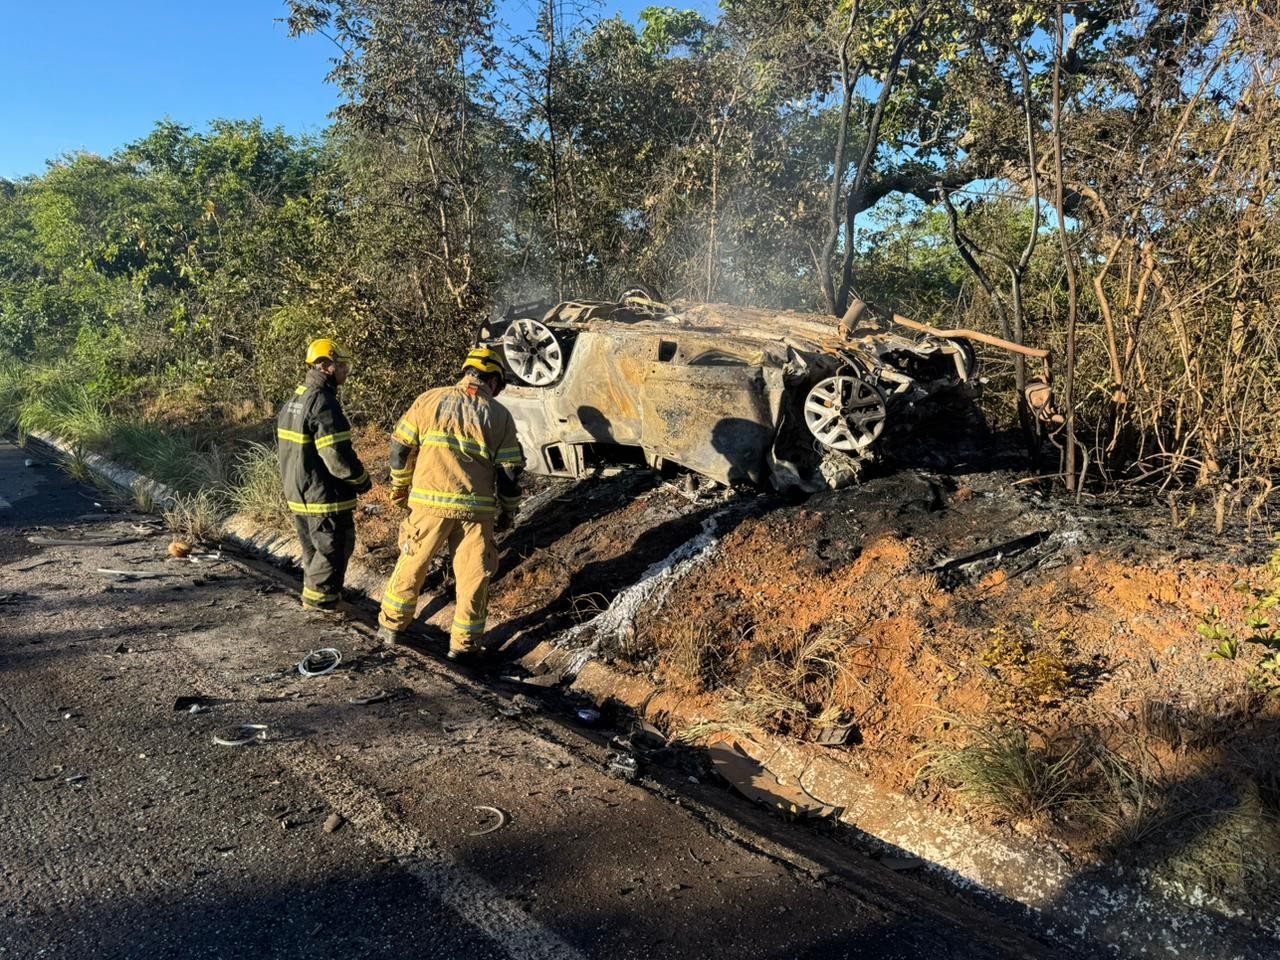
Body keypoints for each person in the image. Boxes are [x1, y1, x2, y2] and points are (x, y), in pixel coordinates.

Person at [376, 346, 524, 661]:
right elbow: (509, 472)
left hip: (427, 506)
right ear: (493, 380)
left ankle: (391, 628)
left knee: (412, 564)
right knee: (473, 578)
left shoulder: (429, 400)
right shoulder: (500, 415)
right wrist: (509, 511)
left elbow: (400, 448)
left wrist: (400, 486)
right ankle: (465, 647)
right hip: (475, 512)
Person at [277, 338, 373, 612]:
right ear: (324, 365)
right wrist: (361, 480)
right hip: (324, 496)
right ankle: (322, 604)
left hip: (299, 492)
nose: (346, 371)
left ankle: (317, 598)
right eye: (341, 365)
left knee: (313, 552)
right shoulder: (323, 402)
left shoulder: (295, 399)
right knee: (333, 549)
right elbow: (336, 457)